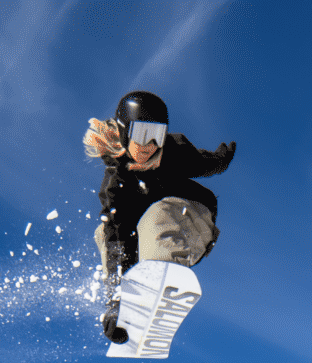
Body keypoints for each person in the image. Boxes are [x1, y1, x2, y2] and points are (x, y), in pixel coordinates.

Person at [84, 90, 235, 342]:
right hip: (154, 239)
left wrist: (222, 159)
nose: (150, 145)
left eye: (157, 135)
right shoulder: (115, 188)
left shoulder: (173, 152)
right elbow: (116, 243)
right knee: (105, 232)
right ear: (125, 132)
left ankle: (158, 276)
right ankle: (132, 291)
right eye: (143, 134)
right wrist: (117, 301)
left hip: (193, 219)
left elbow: (203, 163)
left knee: (157, 215)